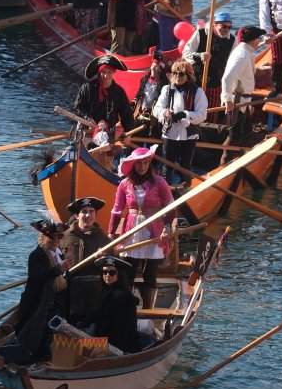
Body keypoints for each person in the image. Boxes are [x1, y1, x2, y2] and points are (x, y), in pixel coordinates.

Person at [109, 146, 174, 308]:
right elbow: (117, 211)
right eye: (139, 163)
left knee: (150, 274)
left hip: (154, 231)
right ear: (133, 165)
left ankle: (148, 312)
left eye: (145, 163)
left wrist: (167, 228)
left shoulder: (160, 182)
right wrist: (111, 233)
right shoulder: (124, 184)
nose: (142, 167)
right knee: (128, 273)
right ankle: (127, 308)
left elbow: (171, 208)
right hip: (132, 232)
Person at [0, 221, 72, 364]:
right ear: (43, 238)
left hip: (55, 304)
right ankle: (26, 361)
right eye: (51, 237)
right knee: (33, 334)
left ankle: (45, 359)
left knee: (50, 335)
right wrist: (59, 269)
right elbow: (37, 277)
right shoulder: (37, 255)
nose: (55, 240)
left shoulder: (59, 255)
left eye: (58, 237)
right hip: (38, 302)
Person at [153, 60, 207, 186]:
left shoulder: (198, 92)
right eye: (174, 73)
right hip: (170, 132)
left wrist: (185, 114)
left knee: (185, 165)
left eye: (181, 74)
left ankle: (186, 188)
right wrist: (165, 113)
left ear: (188, 76)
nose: (177, 77)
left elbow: (202, 115)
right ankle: (166, 189)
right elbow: (157, 109)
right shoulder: (167, 89)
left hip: (188, 134)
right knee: (167, 164)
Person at [61, 197, 111, 325]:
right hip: (69, 290)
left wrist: (104, 260)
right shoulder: (64, 237)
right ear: (77, 215)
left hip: (94, 291)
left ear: (96, 215)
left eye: (91, 211)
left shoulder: (104, 240)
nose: (88, 215)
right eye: (84, 211)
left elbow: (115, 268)